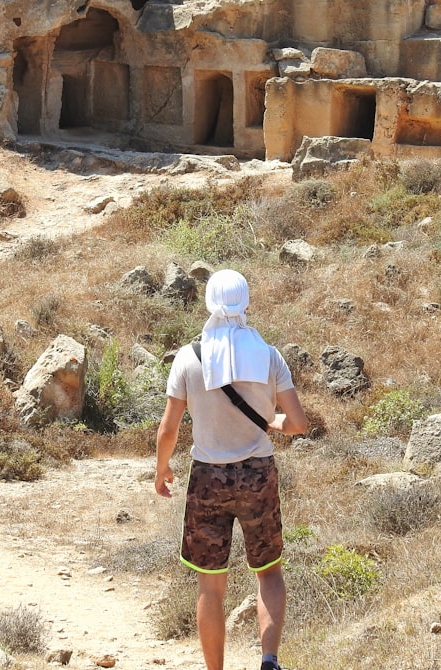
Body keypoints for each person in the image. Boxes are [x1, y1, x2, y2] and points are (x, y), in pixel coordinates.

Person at [155, 269, 308, 670]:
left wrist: (161, 468)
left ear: (207, 302)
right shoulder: (269, 355)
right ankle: (269, 659)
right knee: (269, 572)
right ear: (246, 302)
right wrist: (272, 423)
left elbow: (169, 427)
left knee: (211, 584)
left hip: (208, 476)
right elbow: (298, 424)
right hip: (258, 472)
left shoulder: (189, 357)